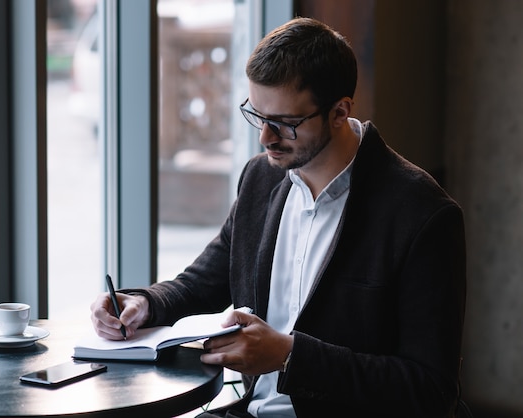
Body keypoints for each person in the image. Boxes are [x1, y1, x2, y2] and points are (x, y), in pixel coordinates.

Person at [90, 17, 466, 418]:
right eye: (257, 115)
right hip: (249, 411)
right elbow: (204, 282)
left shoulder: (423, 215)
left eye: (285, 124)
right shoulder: (260, 178)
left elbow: (430, 388)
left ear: (340, 112)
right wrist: (144, 304)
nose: (265, 138)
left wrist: (290, 356)